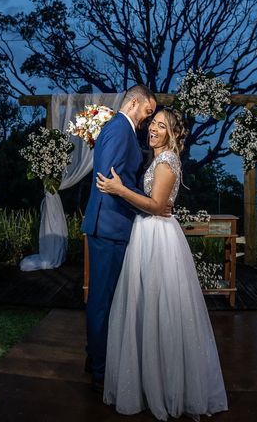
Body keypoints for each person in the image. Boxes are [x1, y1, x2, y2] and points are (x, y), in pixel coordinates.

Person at [96, 108, 228, 421]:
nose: (153, 129)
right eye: (152, 123)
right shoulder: (157, 158)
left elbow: (156, 206)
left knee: (162, 308)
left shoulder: (168, 161)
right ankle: (146, 379)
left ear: (171, 133)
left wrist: (119, 189)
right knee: (146, 307)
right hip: (147, 234)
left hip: (158, 237)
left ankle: (166, 386)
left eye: (160, 125)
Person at [82, 84, 166, 393]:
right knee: (102, 302)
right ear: (134, 102)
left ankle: (95, 359)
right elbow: (109, 180)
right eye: (147, 110)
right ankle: (101, 370)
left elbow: (121, 181)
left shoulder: (121, 129)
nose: (149, 118)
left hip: (111, 226)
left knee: (105, 299)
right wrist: (147, 208)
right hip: (109, 227)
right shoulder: (119, 129)